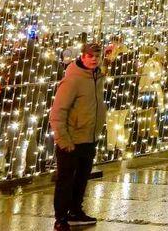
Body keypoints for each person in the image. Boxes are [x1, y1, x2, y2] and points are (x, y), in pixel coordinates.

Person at [50, 43, 107, 231]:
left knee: (82, 177)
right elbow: (58, 111)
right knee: (65, 180)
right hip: (72, 139)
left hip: (89, 137)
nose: (94, 60)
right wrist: (63, 139)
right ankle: (61, 217)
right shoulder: (73, 79)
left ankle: (75, 210)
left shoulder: (98, 77)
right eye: (90, 56)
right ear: (82, 56)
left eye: (97, 57)